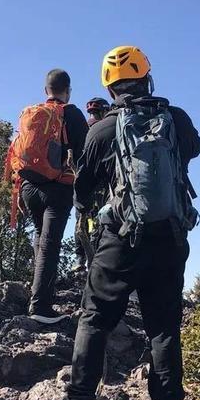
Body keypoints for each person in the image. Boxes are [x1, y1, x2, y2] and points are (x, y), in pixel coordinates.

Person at [63, 46, 200, 400]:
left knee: (95, 318)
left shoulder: (103, 129)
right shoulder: (175, 119)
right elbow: (195, 149)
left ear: (110, 88)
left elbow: (84, 187)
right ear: (147, 78)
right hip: (170, 238)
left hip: (121, 239)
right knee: (163, 329)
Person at [7, 68, 88, 324]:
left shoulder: (32, 114)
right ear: (68, 90)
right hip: (58, 188)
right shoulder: (71, 113)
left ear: (46, 91)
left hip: (29, 187)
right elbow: (85, 152)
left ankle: (39, 296)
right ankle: (41, 306)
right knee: (50, 243)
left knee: (41, 239)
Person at [71, 98, 111, 273]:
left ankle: (80, 259)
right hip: (101, 183)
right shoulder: (106, 129)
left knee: (81, 220)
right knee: (99, 222)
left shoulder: (83, 129)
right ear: (104, 111)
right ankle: (96, 260)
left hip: (81, 182)